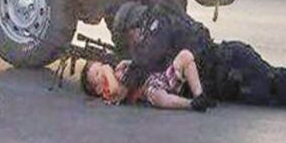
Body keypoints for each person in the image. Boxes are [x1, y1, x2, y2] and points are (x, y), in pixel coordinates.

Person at [110, 0, 286, 114]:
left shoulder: (157, 29)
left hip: (232, 71)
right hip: (232, 64)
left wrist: (124, 69)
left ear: (135, 27)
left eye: (128, 37)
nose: (130, 44)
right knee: (282, 78)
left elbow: (143, 64)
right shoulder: (162, 23)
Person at [81, 49, 215, 112]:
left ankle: (200, 96)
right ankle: (191, 104)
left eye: (100, 67)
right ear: (98, 89)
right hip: (149, 90)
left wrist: (130, 63)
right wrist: (106, 69)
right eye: (98, 73)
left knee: (185, 56)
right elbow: (116, 89)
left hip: (158, 77)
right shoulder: (107, 92)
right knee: (158, 97)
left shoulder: (117, 70)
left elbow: (138, 68)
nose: (103, 70)